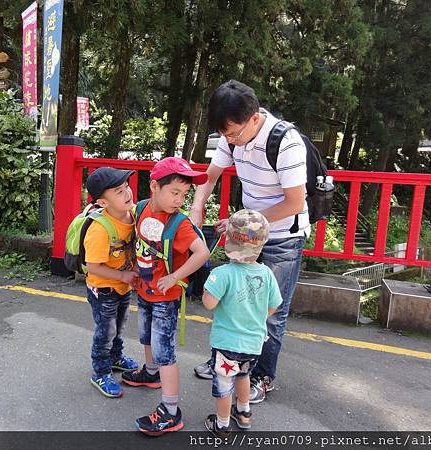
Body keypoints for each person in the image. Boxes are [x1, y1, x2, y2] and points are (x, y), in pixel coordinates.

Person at [189, 80, 308, 403]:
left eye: (233, 134)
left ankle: (261, 376)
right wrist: (197, 207)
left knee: (269, 311)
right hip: (246, 231)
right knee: (231, 297)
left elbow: (294, 203)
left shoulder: (286, 142)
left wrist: (244, 223)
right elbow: (210, 177)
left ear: (254, 118)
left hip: (282, 236)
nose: (230, 141)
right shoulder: (232, 136)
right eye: (224, 135)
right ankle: (226, 361)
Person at [121, 157, 211, 436]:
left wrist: (174, 277)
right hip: (145, 289)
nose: (179, 200)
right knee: (146, 335)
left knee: (165, 351)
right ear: (154, 187)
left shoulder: (180, 224)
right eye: (174, 192)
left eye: (184, 194)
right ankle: (150, 373)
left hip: (166, 296)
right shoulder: (141, 209)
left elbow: (202, 253)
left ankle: (171, 412)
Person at [202, 209, 282, 436]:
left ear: (229, 240)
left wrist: (209, 288)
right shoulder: (266, 273)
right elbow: (274, 306)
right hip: (253, 343)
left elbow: (208, 303)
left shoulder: (223, 273)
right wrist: (256, 317)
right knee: (243, 375)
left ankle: (222, 424)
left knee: (224, 384)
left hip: (227, 343)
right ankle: (244, 412)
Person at [84, 167, 140, 398]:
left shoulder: (133, 214)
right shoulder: (99, 230)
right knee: (105, 331)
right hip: (103, 288)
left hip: (122, 286)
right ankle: (101, 371)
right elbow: (93, 266)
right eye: (119, 191)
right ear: (103, 203)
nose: (127, 193)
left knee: (119, 325)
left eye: (126, 187)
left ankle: (116, 357)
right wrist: (123, 276)